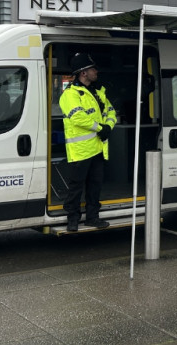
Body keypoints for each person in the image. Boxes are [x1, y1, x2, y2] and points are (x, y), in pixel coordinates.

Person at [59, 53, 117, 232]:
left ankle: (93, 218)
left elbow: (111, 112)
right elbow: (77, 117)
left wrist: (108, 126)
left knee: (95, 186)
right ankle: (73, 219)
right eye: (93, 69)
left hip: (97, 148)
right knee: (76, 187)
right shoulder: (70, 94)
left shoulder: (98, 93)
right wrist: (101, 128)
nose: (96, 71)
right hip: (81, 150)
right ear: (83, 73)